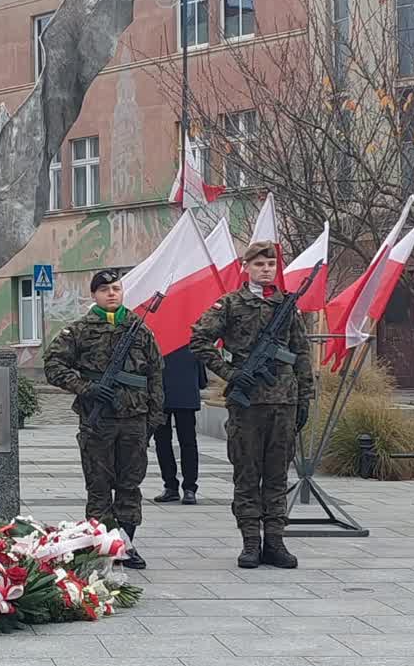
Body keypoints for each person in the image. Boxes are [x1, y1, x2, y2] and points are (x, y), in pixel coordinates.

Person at [189, 241, 312, 570]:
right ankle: (250, 543)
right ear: (247, 268)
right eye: (259, 265)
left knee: (276, 475)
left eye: (271, 264)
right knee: (247, 475)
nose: (266, 270)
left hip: (283, 401)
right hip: (247, 404)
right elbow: (199, 339)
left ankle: (275, 541)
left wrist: (305, 397)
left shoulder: (286, 306)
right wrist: (231, 373)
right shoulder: (230, 304)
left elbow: (301, 353)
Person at [44, 269, 163, 570]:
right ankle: (101, 546)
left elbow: (156, 374)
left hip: (134, 418)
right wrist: (86, 388)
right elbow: (53, 364)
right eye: (105, 289)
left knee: (129, 484)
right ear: (94, 295)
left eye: (116, 288)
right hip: (98, 421)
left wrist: (155, 416)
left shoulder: (139, 329)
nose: (112, 293)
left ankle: (126, 544)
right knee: (98, 486)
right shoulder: (80, 330)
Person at [153, 348, 208, 505]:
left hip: (161, 397)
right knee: (188, 442)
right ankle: (189, 489)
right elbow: (202, 380)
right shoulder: (191, 342)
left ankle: (171, 487)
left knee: (163, 443)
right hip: (186, 397)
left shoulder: (156, 342)